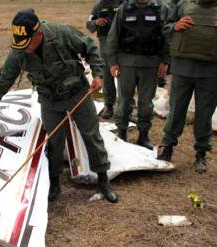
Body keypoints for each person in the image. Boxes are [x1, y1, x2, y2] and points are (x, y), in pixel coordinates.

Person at [0, 8, 118, 203]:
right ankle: (54, 182)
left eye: (27, 42)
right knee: (54, 141)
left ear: (38, 34)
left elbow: (90, 47)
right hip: (50, 100)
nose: (24, 48)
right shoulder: (20, 51)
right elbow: (0, 81)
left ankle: (103, 180)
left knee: (91, 135)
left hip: (77, 93)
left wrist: (97, 73)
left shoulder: (62, 33)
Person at [157, 0, 217, 173]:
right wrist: (175, 25)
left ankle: (201, 152)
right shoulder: (182, 5)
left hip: (211, 70)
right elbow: (164, 28)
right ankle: (167, 146)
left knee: (205, 112)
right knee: (176, 109)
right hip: (183, 67)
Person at [105, 0, 170, 149]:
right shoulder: (124, 8)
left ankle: (143, 135)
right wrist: (113, 62)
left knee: (146, 103)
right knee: (124, 101)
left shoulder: (161, 8)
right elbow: (113, 35)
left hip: (151, 64)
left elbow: (167, 37)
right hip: (126, 63)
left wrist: (165, 61)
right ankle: (121, 133)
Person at [86, 0, 122, 119]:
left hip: (122, 48)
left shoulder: (124, 3)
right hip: (105, 48)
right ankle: (109, 106)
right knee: (107, 77)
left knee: (125, 79)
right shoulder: (99, 6)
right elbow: (88, 24)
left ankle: (126, 107)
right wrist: (96, 22)